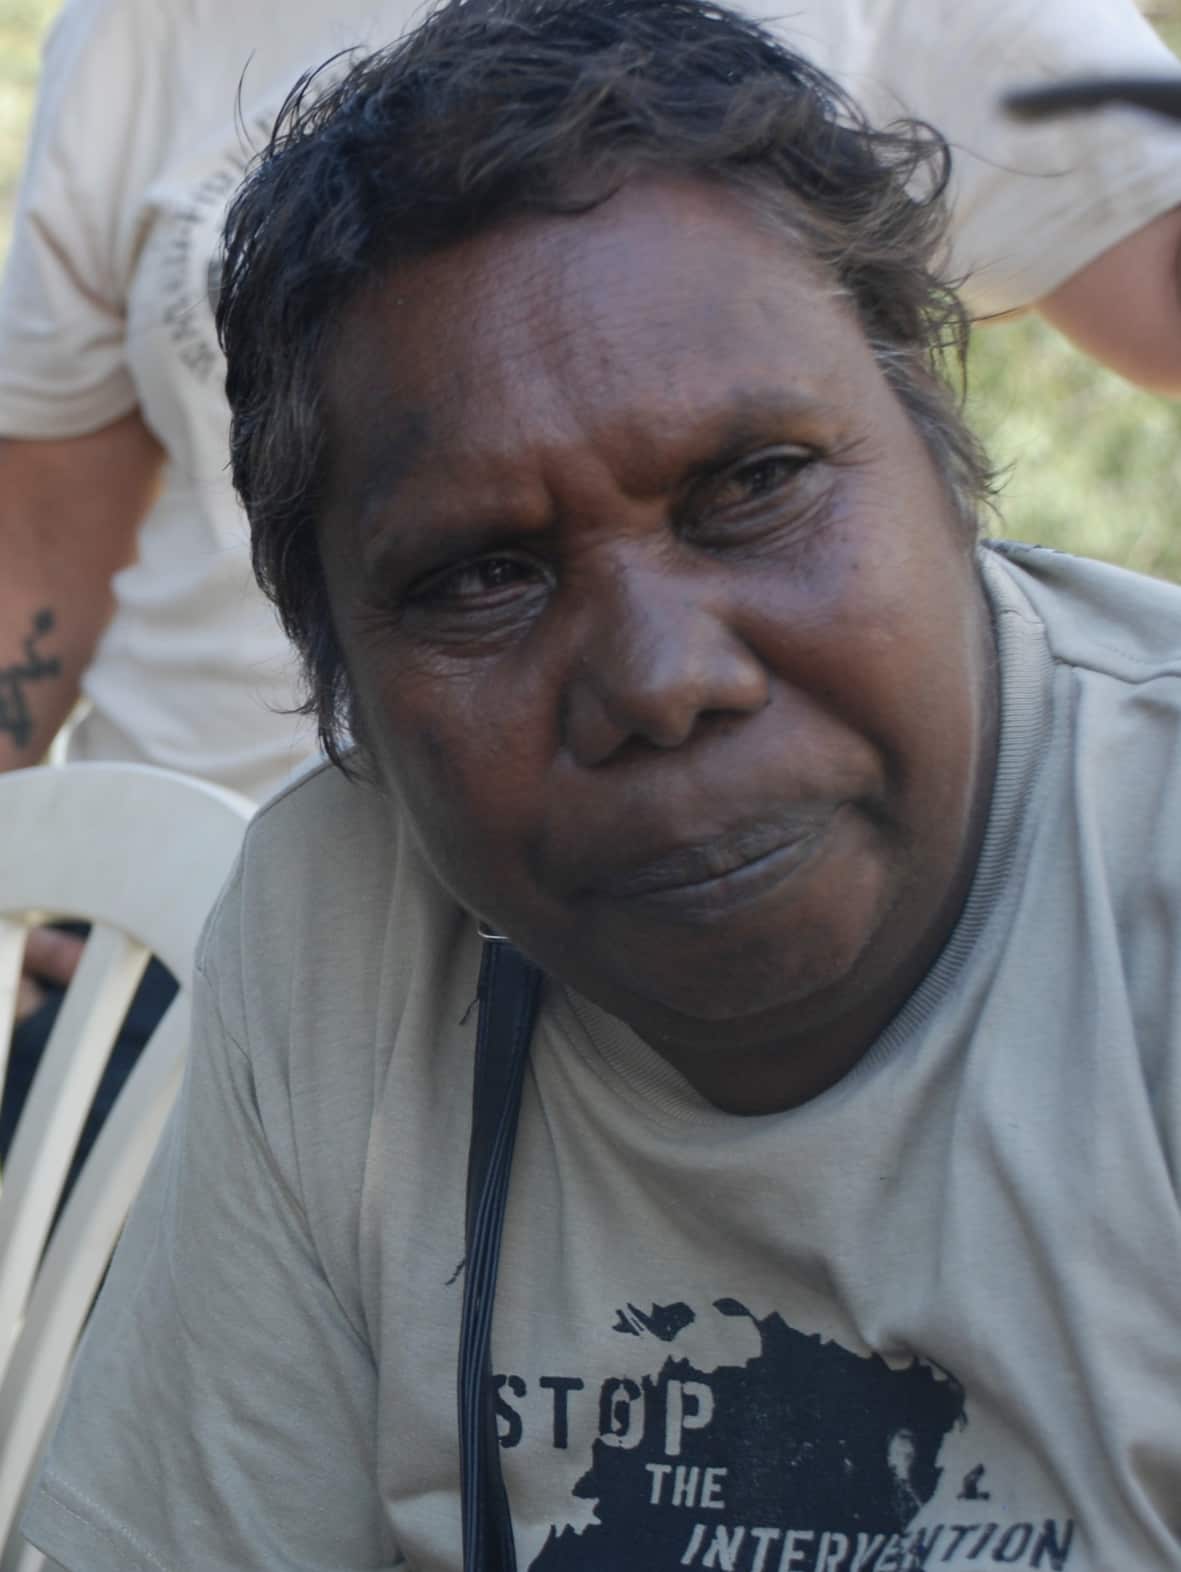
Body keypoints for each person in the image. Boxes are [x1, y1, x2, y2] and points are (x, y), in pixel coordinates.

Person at [21, 0, 1181, 1566]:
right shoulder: (335, 934)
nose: (660, 677)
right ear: (341, 681)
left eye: (755, 485)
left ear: (938, 444)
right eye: (482, 577)